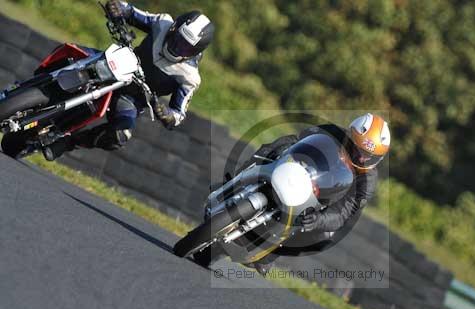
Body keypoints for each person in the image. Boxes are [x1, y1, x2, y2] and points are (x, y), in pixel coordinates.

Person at [204, 113, 391, 276]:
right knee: (281, 143)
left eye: (368, 156)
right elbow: (299, 140)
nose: (361, 158)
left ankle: (270, 253)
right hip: (299, 169)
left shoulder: (368, 180)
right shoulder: (331, 132)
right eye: (357, 149)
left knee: (325, 235)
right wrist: (282, 152)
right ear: (350, 135)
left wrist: (318, 219)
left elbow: (344, 211)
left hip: (322, 200)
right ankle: (235, 182)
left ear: (378, 158)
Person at [43, 0, 214, 160]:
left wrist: (167, 115)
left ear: (195, 52)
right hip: (113, 64)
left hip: (132, 98)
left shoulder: (190, 78)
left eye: (185, 47)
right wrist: (117, 8)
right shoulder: (162, 23)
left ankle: (69, 143)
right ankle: (35, 82)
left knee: (121, 134)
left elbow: (178, 114)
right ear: (173, 28)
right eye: (177, 38)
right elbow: (131, 12)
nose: (177, 47)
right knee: (70, 52)